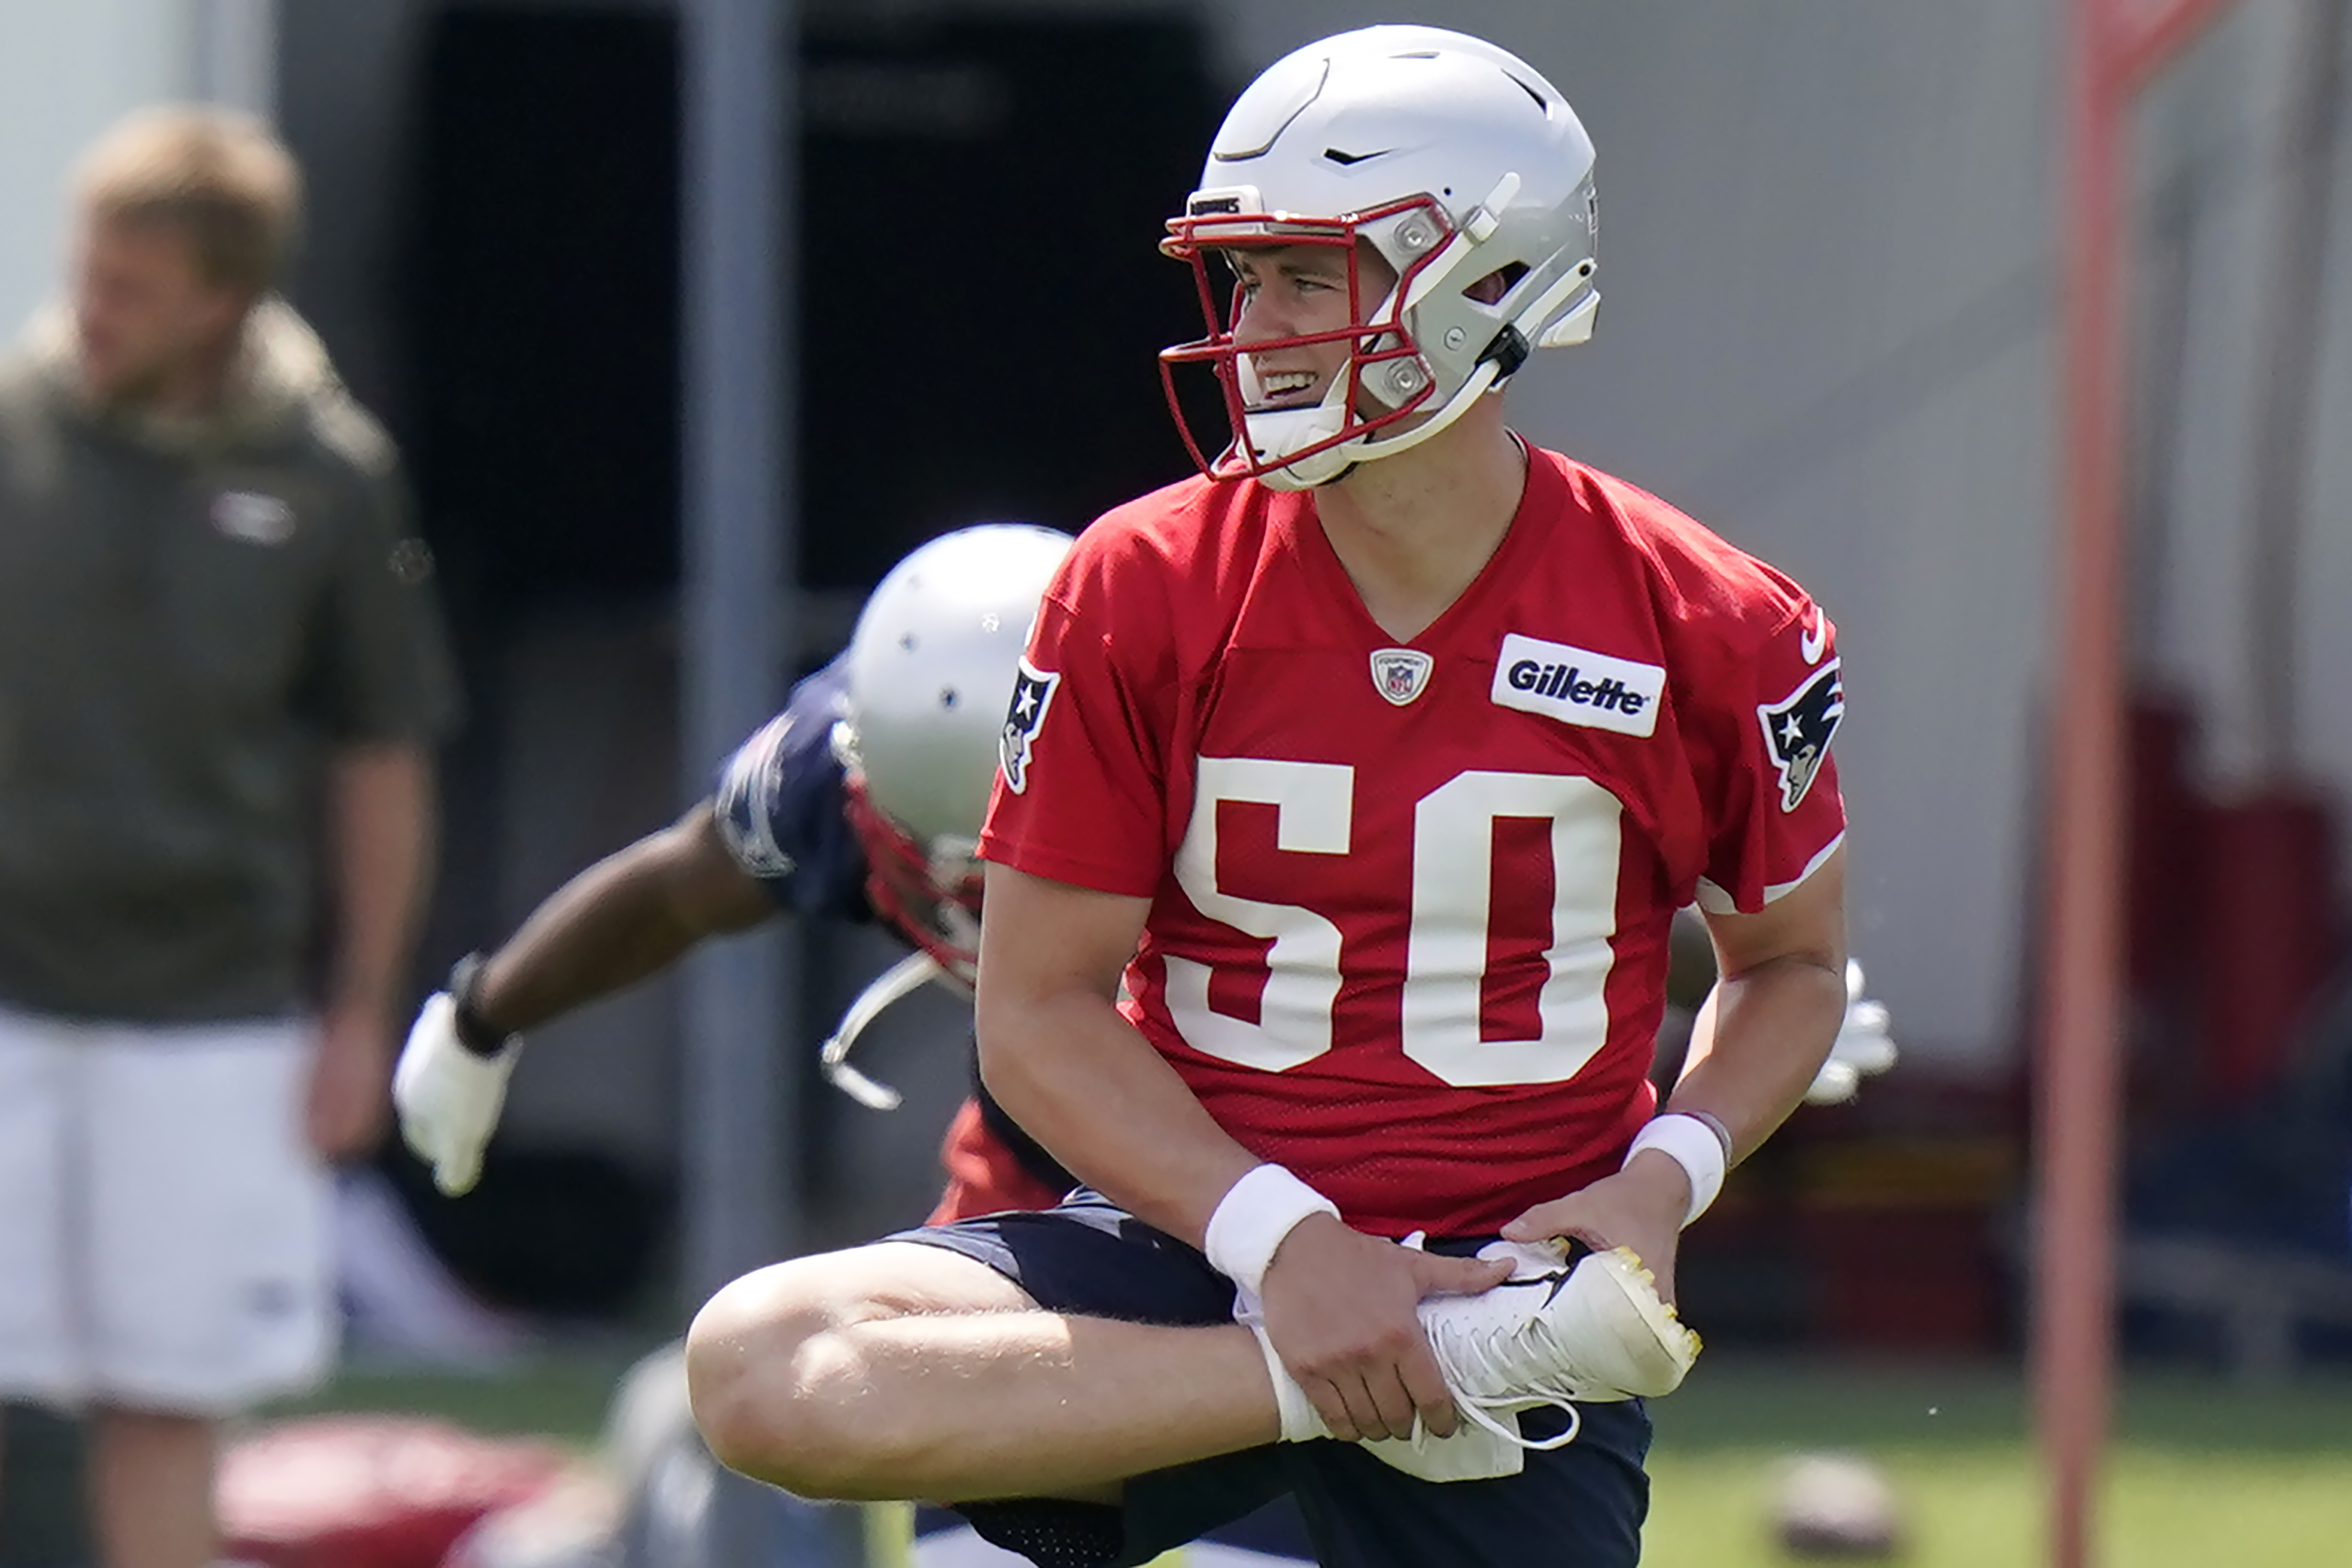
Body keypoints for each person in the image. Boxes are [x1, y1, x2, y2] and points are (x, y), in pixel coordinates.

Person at [681, 25, 1853, 1568]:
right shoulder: (1143, 582)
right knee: (766, 1365)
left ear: (1490, 279)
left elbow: (1790, 970)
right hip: (1201, 1266)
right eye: (1243, 280)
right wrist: (1288, 1249)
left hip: (1519, 1289)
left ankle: (1454, 1358)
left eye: (1311, 276)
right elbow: (1036, 1011)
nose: (1261, 327)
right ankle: (1357, 1385)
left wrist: (1659, 1180)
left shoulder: (1711, 623)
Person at [393, 523, 1316, 1564]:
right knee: (974, 1517)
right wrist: (482, 1019)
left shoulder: (1259, 758)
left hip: (1287, 1170)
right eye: (950, 871)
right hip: (1038, 1177)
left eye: (1015, 859)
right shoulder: (835, 773)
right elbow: (679, 885)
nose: (979, 907)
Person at [0, 107, 457, 1568]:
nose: (91, 311)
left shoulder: (328, 475)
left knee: (163, 1402)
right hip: (5, 994)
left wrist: (358, 1015)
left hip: (208, 1015)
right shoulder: (13, 427)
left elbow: (380, 756)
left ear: (223, 299)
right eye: (87, 272)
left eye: (129, 288)